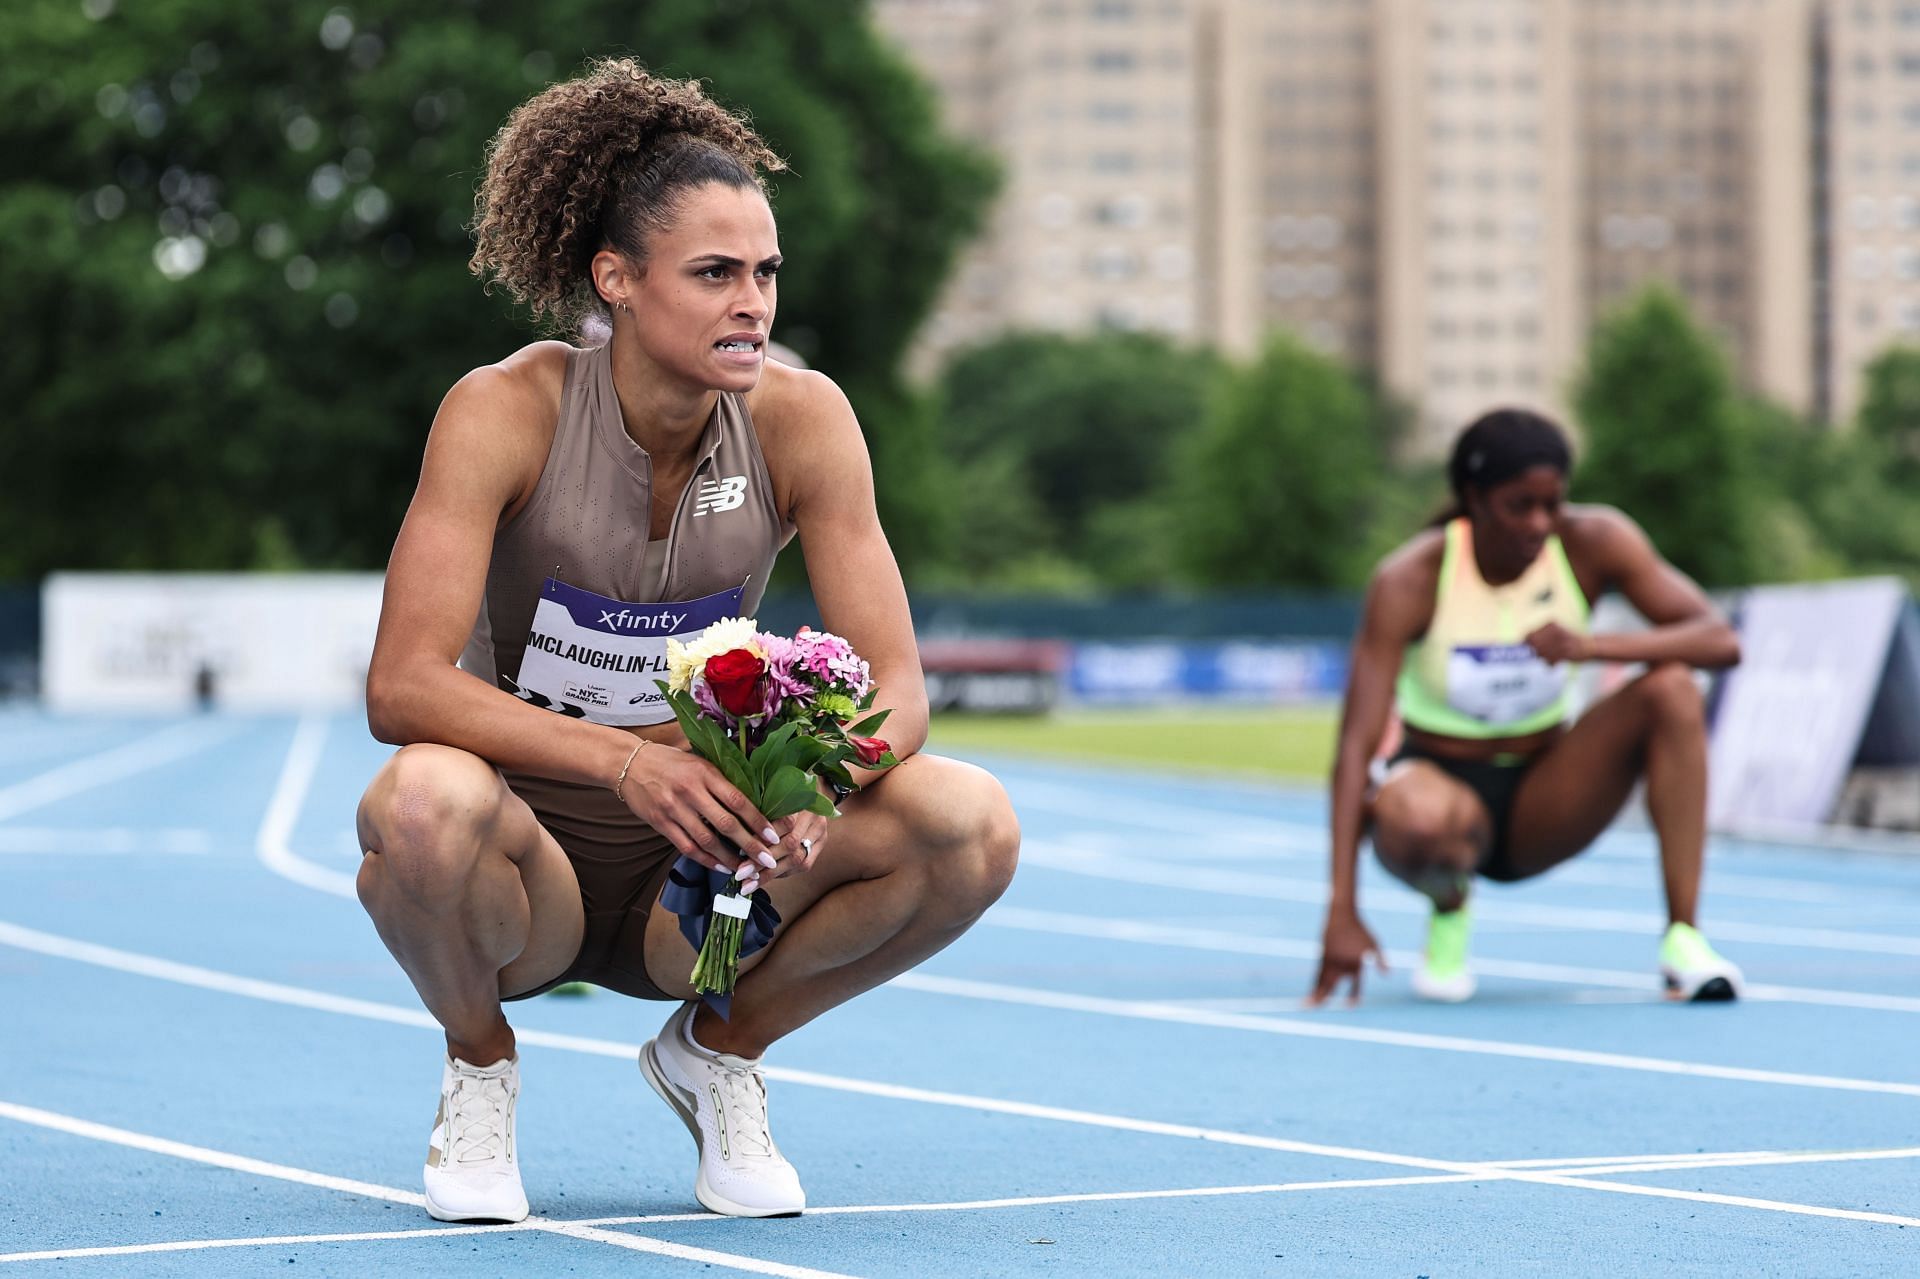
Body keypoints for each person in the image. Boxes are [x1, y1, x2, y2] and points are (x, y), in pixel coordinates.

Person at [353, 59, 1020, 1224]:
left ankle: (717, 1049)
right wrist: (627, 760)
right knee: (414, 803)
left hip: (704, 885)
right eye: (714, 274)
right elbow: (402, 685)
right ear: (616, 281)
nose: (751, 301)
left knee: (969, 824)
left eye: (764, 272)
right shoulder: (503, 411)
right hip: (530, 874)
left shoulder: (805, 419)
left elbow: (900, 691)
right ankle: (479, 1062)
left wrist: (815, 776)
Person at [1308, 408, 1743, 1008]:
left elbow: (1720, 641)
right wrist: (1342, 910)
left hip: (1544, 791)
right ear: (1474, 499)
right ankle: (1449, 909)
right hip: (1441, 789)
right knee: (1423, 820)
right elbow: (1355, 748)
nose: (1539, 524)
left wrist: (1589, 646)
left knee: (1670, 689)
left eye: (1552, 505)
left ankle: (1684, 939)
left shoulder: (1594, 543)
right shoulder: (1411, 578)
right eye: (1520, 506)